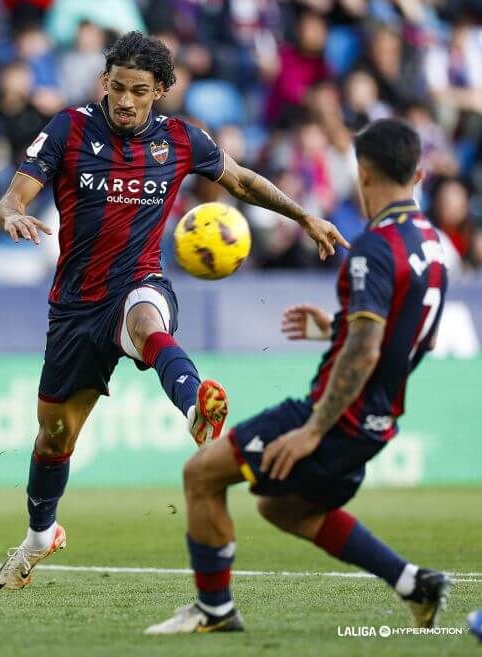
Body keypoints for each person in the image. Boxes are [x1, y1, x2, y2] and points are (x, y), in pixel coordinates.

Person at [0, 31, 346, 590]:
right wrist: (12, 213)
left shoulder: (182, 140)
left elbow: (244, 181)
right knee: (54, 438)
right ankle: (39, 536)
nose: (125, 101)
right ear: (103, 82)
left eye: (139, 90)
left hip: (139, 280)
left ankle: (194, 410)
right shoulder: (69, 127)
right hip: (75, 307)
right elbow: (14, 194)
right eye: (117, 87)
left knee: (145, 319)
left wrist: (304, 218)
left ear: (160, 90)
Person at [145, 118, 450, 634]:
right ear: (420, 174)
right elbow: (422, 335)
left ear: (364, 172)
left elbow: (368, 346)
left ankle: (214, 610)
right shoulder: (433, 244)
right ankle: (413, 583)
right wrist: (339, 326)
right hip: (377, 420)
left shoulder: (375, 247)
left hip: (334, 414)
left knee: (202, 474)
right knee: (282, 507)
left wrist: (313, 429)